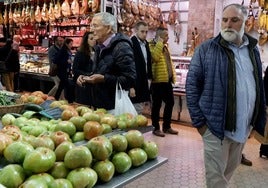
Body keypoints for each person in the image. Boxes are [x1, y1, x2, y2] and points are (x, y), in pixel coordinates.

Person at [185, 4, 266, 188]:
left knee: (227, 175)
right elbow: (192, 86)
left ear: (245, 23)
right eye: (225, 20)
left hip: (243, 129)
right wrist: (201, 125)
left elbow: (258, 87)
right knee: (216, 180)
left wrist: (257, 121)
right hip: (215, 129)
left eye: (234, 20)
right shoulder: (206, 49)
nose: (228, 24)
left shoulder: (252, 50)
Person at [77, 12, 136, 110]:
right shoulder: (99, 47)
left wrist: (104, 79)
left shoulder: (121, 47)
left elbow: (130, 79)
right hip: (100, 105)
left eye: (95, 26)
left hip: (114, 108)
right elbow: (101, 71)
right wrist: (86, 77)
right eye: (91, 26)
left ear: (108, 28)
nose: (91, 29)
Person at [149, 27, 178, 137]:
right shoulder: (151, 45)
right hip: (157, 81)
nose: (168, 37)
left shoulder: (166, 47)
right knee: (156, 105)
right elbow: (154, 58)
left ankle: (167, 126)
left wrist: (173, 76)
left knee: (170, 102)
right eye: (166, 35)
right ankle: (155, 127)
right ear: (160, 36)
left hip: (167, 81)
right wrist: (159, 43)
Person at [129, 21, 152, 114]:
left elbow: (147, 62)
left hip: (144, 81)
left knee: (140, 108)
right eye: (142, 31)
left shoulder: (146, 44)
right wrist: (130, 86)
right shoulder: (131, 43)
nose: (145, 34)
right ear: (136, 31)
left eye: (146, 32)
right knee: (135, 109)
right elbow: (129, 65)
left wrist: (149, 78)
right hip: (135, 82)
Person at [73, 32, 96, 106]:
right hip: (83, 83)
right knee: (84, 106)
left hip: (94, 83)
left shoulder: (97, 52)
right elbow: (75, 69)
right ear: (86, 40)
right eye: (91, 39)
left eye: (94, 38)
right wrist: (87, 74)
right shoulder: (80, 53)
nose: (94, 40)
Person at [54, 38, 74, 102]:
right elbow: (56, 60)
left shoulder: (67, 50)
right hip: (62, 71)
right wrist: (66, 61)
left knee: (61, 86)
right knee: (68, 86)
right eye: (71, 44)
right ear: (66, 44)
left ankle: (56, 98)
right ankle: (70, 101)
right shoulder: (63, 50)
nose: (72, 45)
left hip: (65, 71)